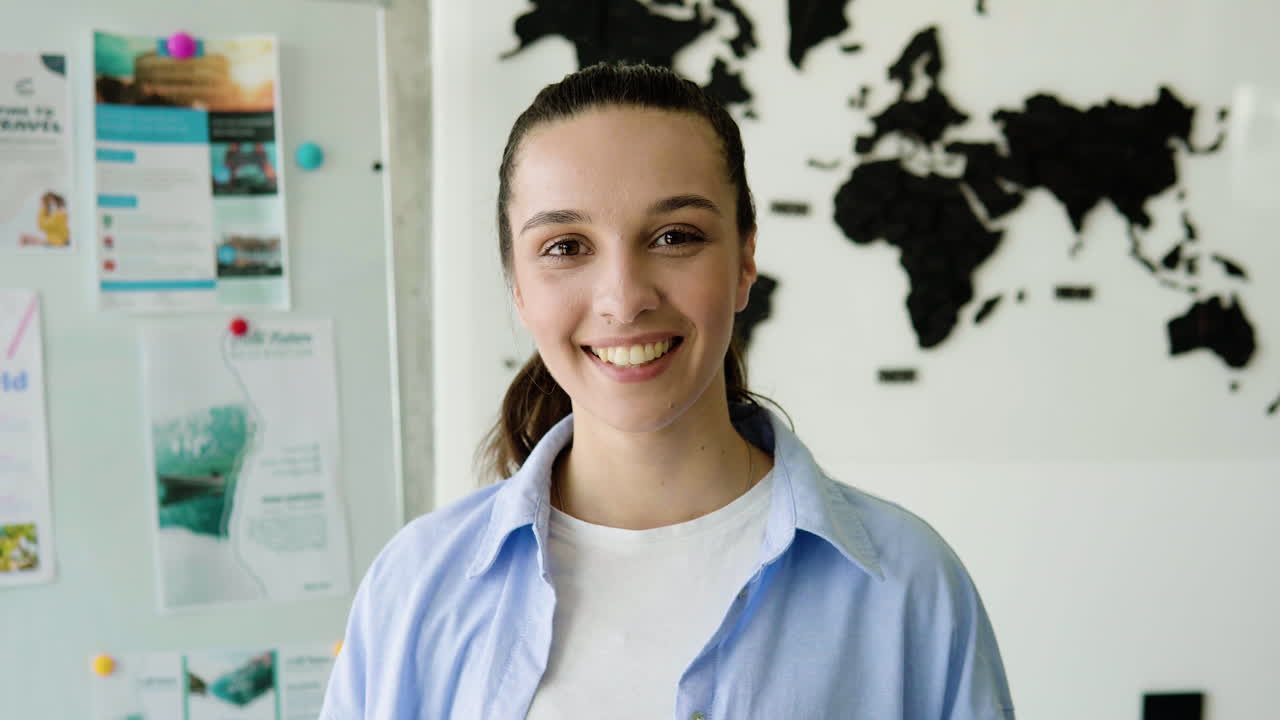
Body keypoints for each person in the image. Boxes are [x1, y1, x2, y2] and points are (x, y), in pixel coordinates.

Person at [320, 62, 1015, 719]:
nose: (623, 299)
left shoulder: (910, 587)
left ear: (746, 259)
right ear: (517, 287)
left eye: (675, 236)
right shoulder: (414, 587)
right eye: (565, 246)